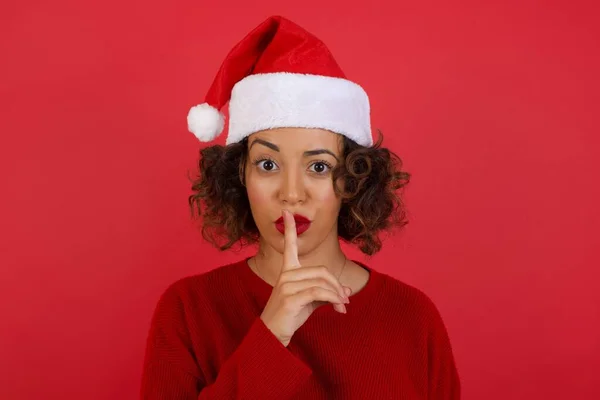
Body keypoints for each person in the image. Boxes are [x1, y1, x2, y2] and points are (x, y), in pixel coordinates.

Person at [140, 15, 460, 399]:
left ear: (352, 180)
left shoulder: (412, 317)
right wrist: (271, 332)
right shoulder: (188, 310)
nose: (292, 194)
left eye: (319, 166)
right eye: (268, 165)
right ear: (239, 174)